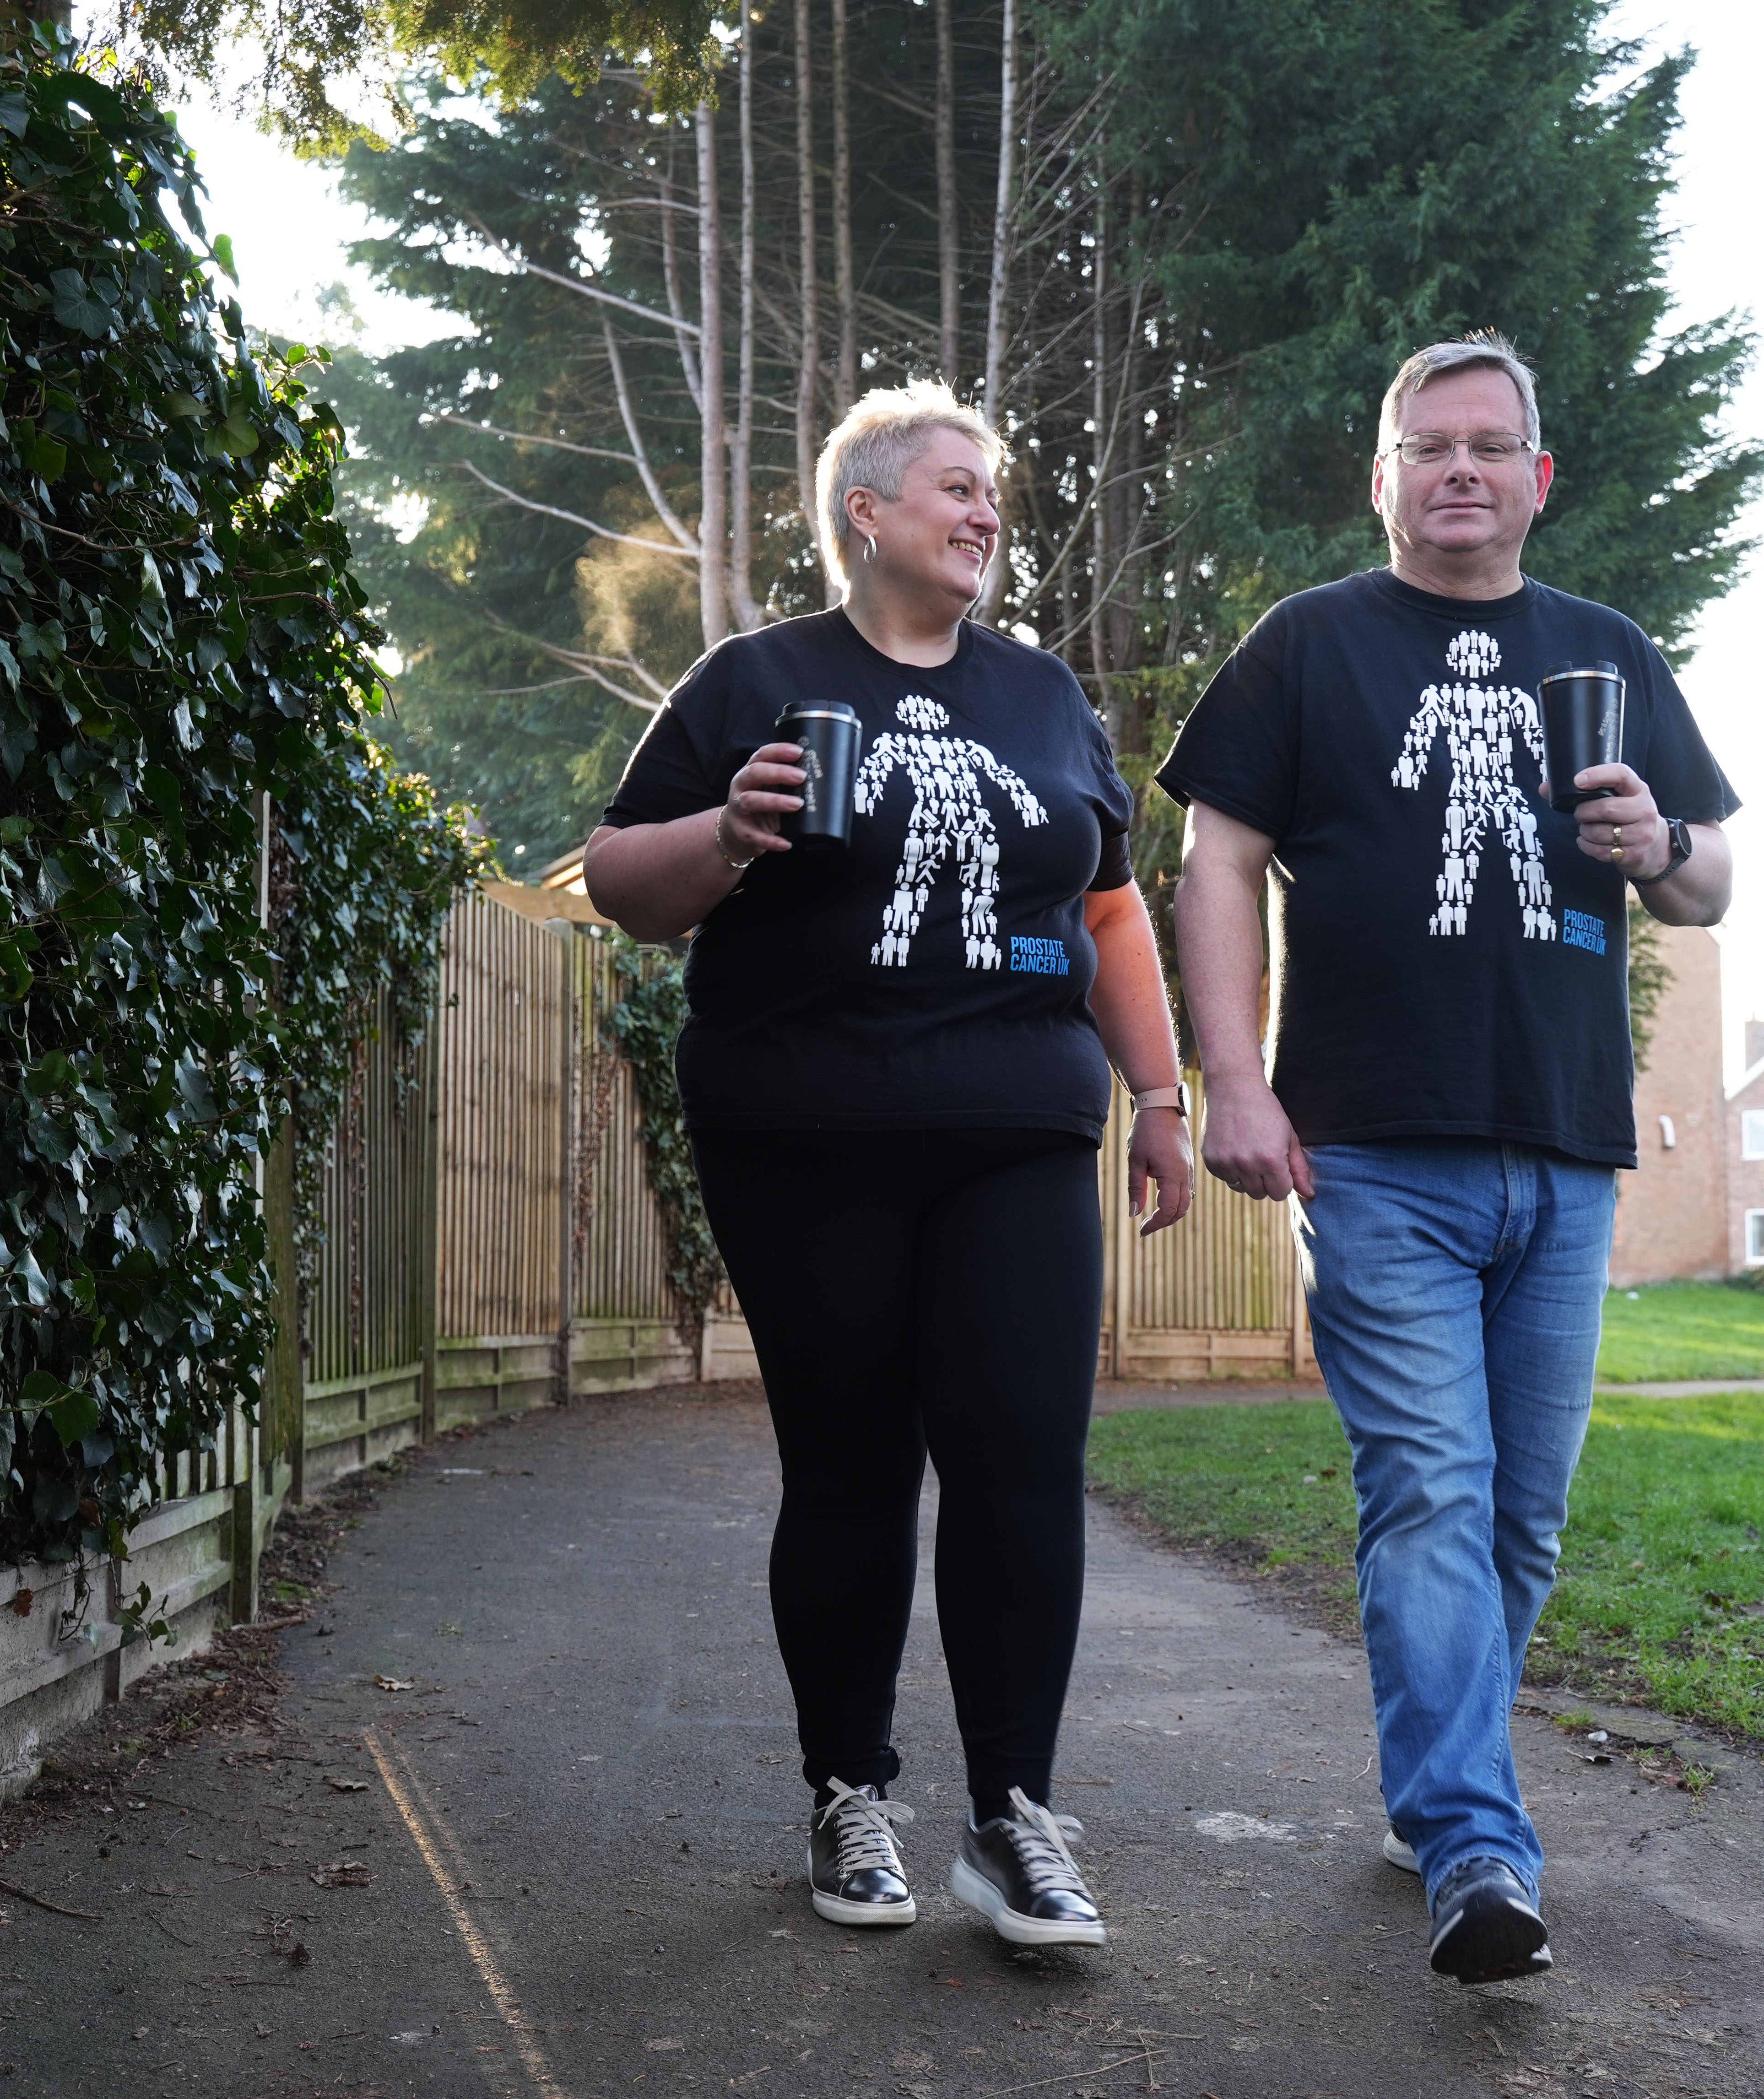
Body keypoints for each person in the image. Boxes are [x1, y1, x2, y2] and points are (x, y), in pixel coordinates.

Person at [1155, 333, 1737, 1985]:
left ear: (1538, 477)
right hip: (1375, 1156)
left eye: (1492, 445)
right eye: (1431, 446)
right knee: (1430, 1487)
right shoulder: (1308, 648)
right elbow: (1217, 862)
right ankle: (1481, 1848)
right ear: (1388, 476)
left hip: (1562, 1155)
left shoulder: (1606, 651)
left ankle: (1434, 1783)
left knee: (1521, 1523)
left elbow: (1711, 887)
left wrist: (1661, 843)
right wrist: (1233, 1081)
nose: (1462, 469)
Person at [583, 381, 1194, 1949]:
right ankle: (849, 1792)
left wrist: (1164, 1095)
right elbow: (619, 879)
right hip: (807, 1131)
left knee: (1019, 1461)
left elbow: (1110, 907)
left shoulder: (1048, 695)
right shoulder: (757, 678)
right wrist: (727, 829)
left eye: (993, 494)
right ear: (866, 509)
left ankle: (1016, 1817)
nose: (984, 513)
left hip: (1018, 1131)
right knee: (853, 1469)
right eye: (953, 487)